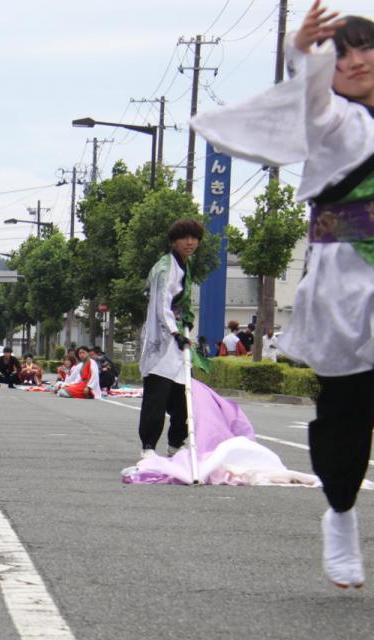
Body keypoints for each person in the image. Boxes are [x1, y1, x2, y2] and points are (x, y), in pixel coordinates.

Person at [194, 1, 374, 589]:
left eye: (364, 47)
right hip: (349, 289)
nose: (355, 61)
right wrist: (302, 52)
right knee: (346, 420)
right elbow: (314, 95)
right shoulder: (335, 123)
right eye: (341, 52)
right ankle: (342, 514)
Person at [137, 218, 203, 459]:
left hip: (177, 341)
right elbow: (161, 305)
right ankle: (148, 447)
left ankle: (176, 443)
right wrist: (175, 333)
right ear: (173, 241)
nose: (189, 243)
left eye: (194, 238)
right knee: (156, 398)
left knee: (185, 397)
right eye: (184, 238)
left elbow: (182, 304)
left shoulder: (187, 265)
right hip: (162, 342)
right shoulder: (165, 268)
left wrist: (185, 326)